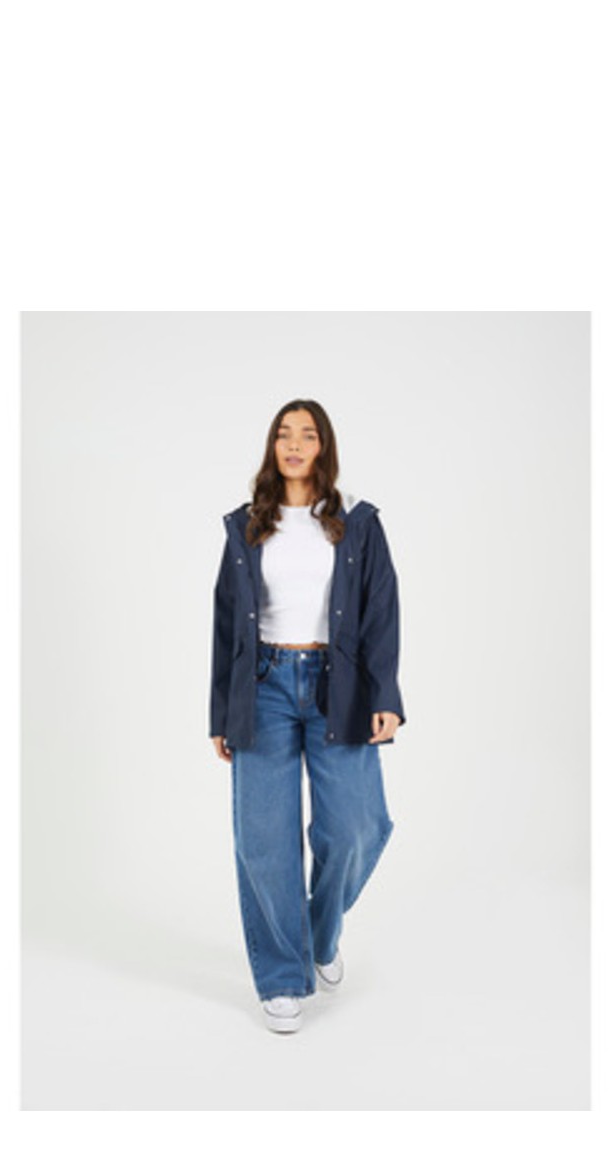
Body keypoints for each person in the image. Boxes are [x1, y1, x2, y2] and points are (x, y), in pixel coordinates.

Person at [209, 398, 406, 1034]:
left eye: (308, 435)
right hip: (262, 686)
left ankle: (320, 932)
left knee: (356, 828)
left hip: (336, 686)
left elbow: (381, 611)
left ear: (324, 448)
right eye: (284, 435)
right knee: (264, 841)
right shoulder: (246, 526)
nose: (294, 445)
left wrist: (385, 696)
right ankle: (281, 976)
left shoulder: (357, 523)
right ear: (273, 447)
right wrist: (220, 712)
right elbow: (225, 625)